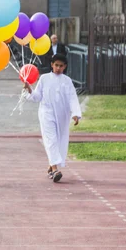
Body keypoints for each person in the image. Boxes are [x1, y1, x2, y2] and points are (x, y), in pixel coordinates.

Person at [24, 54, 81, 183]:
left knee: (60, 140)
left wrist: (76, 113)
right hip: (46, 113)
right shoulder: (44, 78)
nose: (58, 68)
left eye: (61, 66)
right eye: (56, 65)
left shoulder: (67, 81)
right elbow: (37, 96)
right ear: (52, 65)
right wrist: (30, 90)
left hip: (62, 115)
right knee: (51, 140)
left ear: (65, 66)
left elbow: (72, 97)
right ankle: (55, 169)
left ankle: (51, 166)